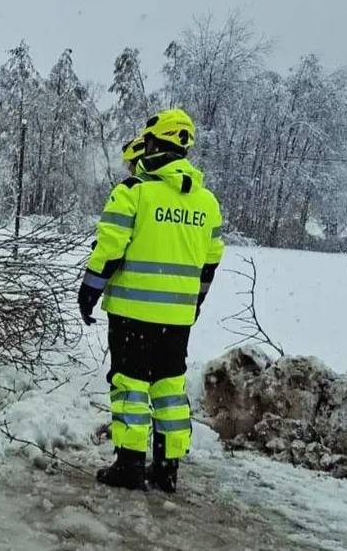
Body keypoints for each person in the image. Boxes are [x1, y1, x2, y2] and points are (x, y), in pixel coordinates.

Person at [78, 109, 224, 493]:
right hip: (177, 317)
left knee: (129, 384)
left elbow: (109, 248)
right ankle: (167, 467)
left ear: (153, 143)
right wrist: (194, 303)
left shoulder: (134, 192)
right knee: (168, 387)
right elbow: (211, 261)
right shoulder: (207, 202)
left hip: (131, 312)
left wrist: (89, 290)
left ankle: (128, 464)